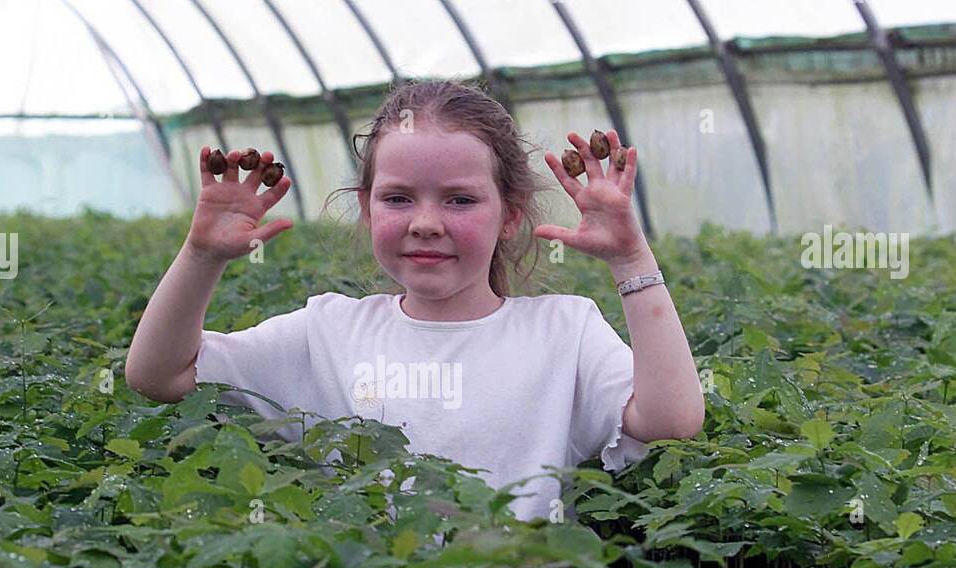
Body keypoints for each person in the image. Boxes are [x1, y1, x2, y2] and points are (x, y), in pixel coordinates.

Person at [125, 80, 704, 524]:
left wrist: (632, 262)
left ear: (511, 215)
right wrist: (201, 256)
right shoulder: (327, 331)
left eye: (459, 200)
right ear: (368, 206)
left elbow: (671, 422)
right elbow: (159, 375)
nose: (426, 223)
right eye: (399, 198)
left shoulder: (564, 332)